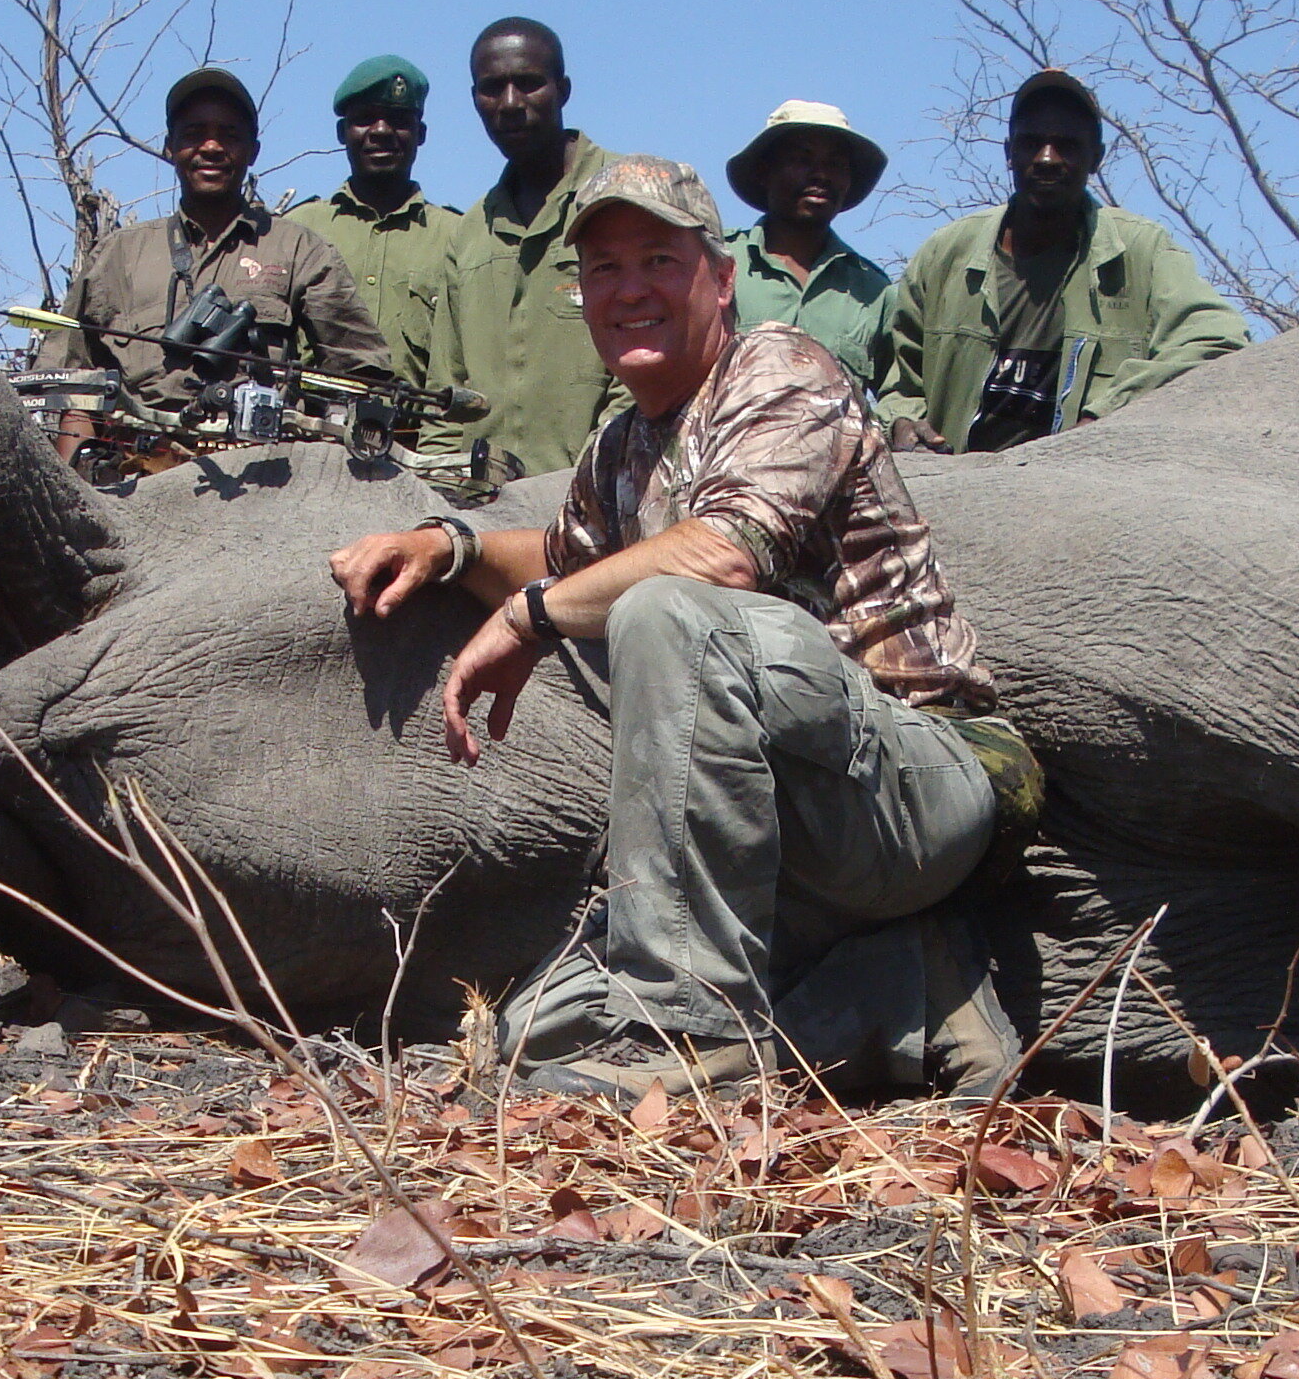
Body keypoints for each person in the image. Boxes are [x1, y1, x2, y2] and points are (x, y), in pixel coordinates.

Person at [330, 156, 1036, 1100]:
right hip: (771, 839)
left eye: (658, 260)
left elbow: (722, 557)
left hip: (912, 785)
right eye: (604, 269)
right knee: (528, 1038)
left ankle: (690, 1028)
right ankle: (906, 981)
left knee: (667, 609)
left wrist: (528, 619)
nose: (629, 290)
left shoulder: (782, 368)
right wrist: (448, 548)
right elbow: (566, 558)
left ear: (721, 276)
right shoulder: (623, 441)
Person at [882, 68, 1249, 451]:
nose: (1046, 159)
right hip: (961, 490)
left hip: (1080, 491)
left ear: (1097, 159)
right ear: (1009, 153)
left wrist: (1106, 416)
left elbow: (1217, 339)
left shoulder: (1142, 251)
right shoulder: (945, 254)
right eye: (1032, 143)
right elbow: (900, 385)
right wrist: (902, 421)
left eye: (1067, 145)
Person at [33, 66, 388, 448]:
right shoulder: (117, 255)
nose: (212, 147)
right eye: (193, 134)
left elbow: (360, 373)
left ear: (253, 151)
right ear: (170, 147)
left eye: (229, 136)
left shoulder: (300, 250)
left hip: (261, 472)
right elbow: (68, 386)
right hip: (137, 473)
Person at [421, 18, 621, 475]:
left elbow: (654, 364)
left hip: (606, 503)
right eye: (492, 88)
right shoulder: (470, 233)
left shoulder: (625, 199)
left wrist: (596, 482)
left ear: (563, 90)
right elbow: (444, 398)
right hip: (484, 515)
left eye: (528, 84)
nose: (510, 104)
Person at [286, 55, 464, 388]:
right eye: (365, 119)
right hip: (310, 431)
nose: (380, 132)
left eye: (398, 120)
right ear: (342, 132)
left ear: (420, 133)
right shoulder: (298, 232)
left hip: (418, 433)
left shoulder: (458, 238)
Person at [723, 101, 897, 393]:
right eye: (802, 160)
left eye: (835, 164)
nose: (821, 175)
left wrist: (897, 422)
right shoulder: (717, 262)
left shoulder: (873, 291)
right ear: (765, 172)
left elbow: (899, 392)